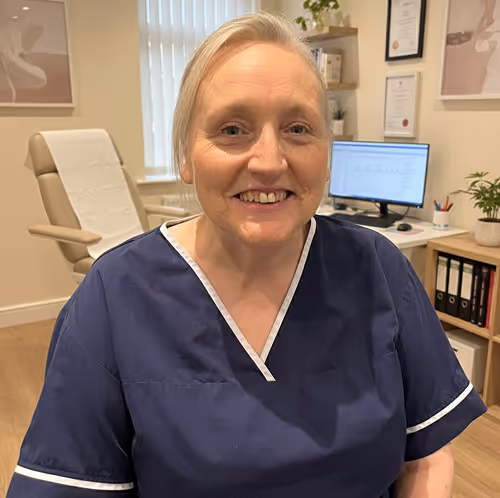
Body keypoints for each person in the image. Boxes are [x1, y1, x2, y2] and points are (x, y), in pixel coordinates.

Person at [7, 12, 486, 498]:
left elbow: (424, 456)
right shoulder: (114, 297)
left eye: (298, 128)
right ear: (184, 156)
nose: (269, 162)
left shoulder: (379, 268)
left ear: (327, 155)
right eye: (232, 129)